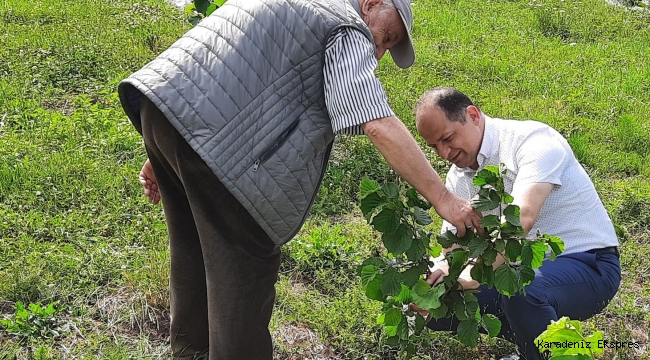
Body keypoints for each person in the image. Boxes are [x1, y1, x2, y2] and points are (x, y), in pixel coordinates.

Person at [117, 1, 482, 359]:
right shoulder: (345, 24)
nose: (379, 52)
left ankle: (190, 351)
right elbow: (374, 119)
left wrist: (167, 146)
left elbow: (228, 69)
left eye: (387, 46)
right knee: (245, 268)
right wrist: (445, 199)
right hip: (212, 143)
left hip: (165, 107)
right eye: (385, 37)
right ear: (370, 4)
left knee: (192, 246)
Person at [413, 87, 621, 360]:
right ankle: (538, 346)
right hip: (515, 269)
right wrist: (439, 273)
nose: (443, 152)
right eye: (433, 146)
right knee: (438, 303)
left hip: (588, 264)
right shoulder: (458, 176)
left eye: (447, 138)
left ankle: (551, 351)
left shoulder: (533, 141)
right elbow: (454, 244)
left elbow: (522, 217)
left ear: (472, 116)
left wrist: (473, 274)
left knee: (522, 293)